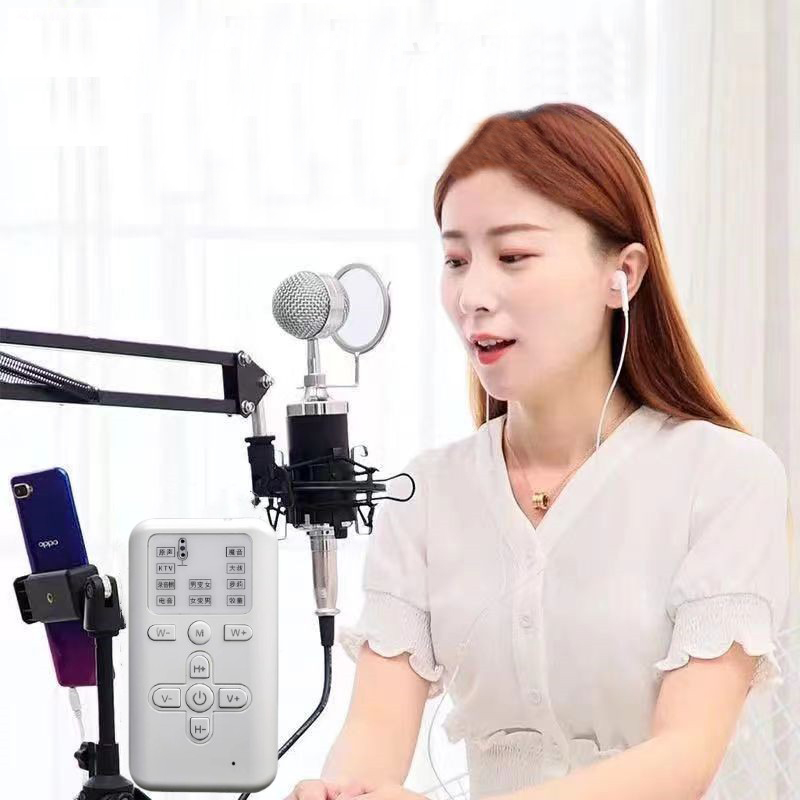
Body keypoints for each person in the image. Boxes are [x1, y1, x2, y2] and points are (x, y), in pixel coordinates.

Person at [284, 103, 793, 800]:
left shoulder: (725, 476)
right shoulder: (424, 494)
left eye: (513, 257)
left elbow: (682, 760)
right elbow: (372, 734)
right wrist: (341, 792)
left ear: (623, 273)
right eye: (455, 260)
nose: (472, 295)